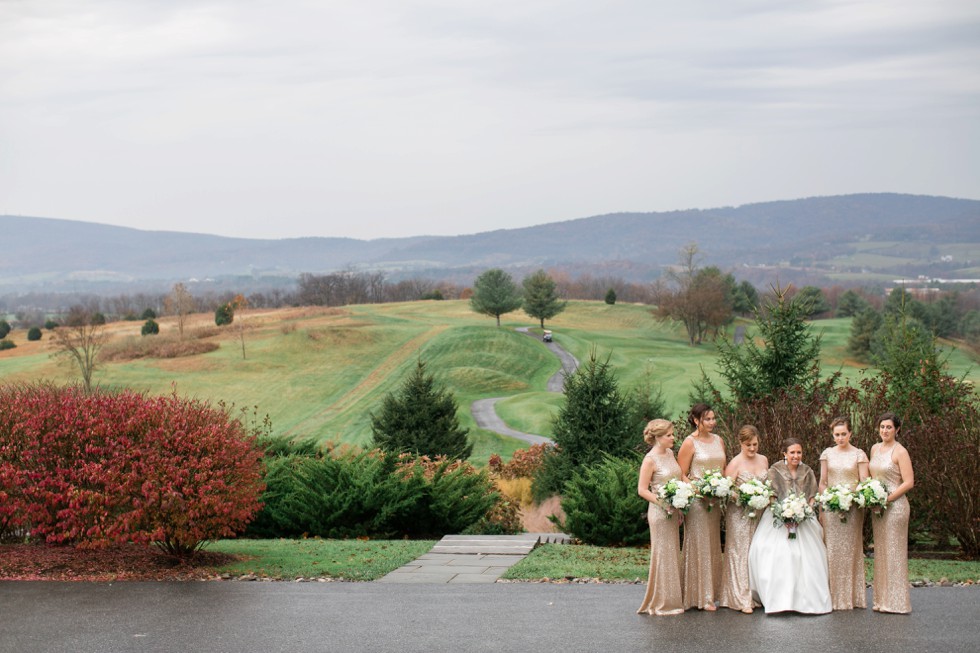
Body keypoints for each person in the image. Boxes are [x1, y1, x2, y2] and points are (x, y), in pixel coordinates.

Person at [748, 438, 831, 614]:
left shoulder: (807, 471)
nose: (795, 456)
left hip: (803, 518)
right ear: (784, 453)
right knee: (775, 554)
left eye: (798, 452)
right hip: (777, 517)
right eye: (792, 452)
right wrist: (781, 512)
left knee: (807, 558)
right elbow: (770, 495)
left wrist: (804, 511)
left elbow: (812, 495)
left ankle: (806, 600)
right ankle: (779, 600)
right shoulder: (775, 470)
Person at [677, 403, 726, 611]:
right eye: (707, 419)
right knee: (699, 544)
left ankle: (711, 592)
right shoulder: (690, 443)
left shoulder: (719, 441)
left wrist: (720, 487)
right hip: (697, 502)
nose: (712, 422)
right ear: (696, 420)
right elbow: (680, 473)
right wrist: (698, 490)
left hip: (714, 502)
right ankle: (699, 596)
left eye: (714, 418)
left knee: (713, 544)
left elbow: (722, 469)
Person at [818, 416, 870, 610]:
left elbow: (864, 481)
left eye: (843, 434)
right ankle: (830, 597)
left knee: (851, 550)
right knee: (831, 550)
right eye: (837, 434)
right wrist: (826, 504)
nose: (840, 438)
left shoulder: (859, 454)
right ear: (832, 435)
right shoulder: (827, 454)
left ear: (850, 433)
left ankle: (851, 597)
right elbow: (823, 482)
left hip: (852, 508)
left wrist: (848, 497)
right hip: (831, 508)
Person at [636, 419, 685, 616]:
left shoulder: (671, 453)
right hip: (659, 512)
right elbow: (641, 489)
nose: (673, 438)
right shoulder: (650, 460)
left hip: (673, 512)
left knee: (673, 553)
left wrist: (680, 506)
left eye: (672, 434)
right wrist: (662, 503)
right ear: (657, 437)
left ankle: (673, 598)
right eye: (669, 435)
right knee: (663, 554)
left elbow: (677, 480)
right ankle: (663, 603)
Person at [719, 425, 769, 613]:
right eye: (748, 445)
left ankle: (757, 594)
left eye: (755, 444)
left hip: (759, 513)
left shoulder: (763, 459)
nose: (752, 448)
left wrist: (763, 496)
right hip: (739, 514)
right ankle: (741, 597)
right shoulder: (735, 463)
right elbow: (726, 489)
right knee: (740, 552)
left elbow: (768, 483)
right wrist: (744, 497)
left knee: (756, 553)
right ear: (740, 443)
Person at [869, 412, 914, 614]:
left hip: (895, 508)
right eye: (882, 427)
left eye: (889, 427)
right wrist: (870, 496)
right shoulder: (874, 449)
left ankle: (897, 602)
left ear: (897, 430)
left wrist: (888, 499)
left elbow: (908, 482)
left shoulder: (900, 451)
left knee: (894, 553)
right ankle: (882, 600)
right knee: (881, 552)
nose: (885, 430)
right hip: (878, 508)